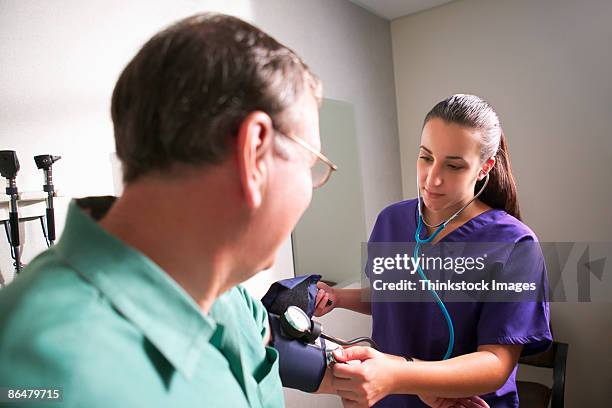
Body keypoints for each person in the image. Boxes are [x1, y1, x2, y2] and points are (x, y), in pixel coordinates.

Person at [0, 13, 330, 407]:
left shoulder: (229, 299)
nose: (310, 190)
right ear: (255, 151)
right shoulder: (49, 376)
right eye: (310, 164)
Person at [315, 94, 552, 408]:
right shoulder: (392, 221)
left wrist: (399, 374)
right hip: (389, 399)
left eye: (454, 165)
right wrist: (339, 298)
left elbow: (496, 361)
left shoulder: (514, 245)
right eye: (426, 157)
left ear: (485, 168)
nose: (433, 178)